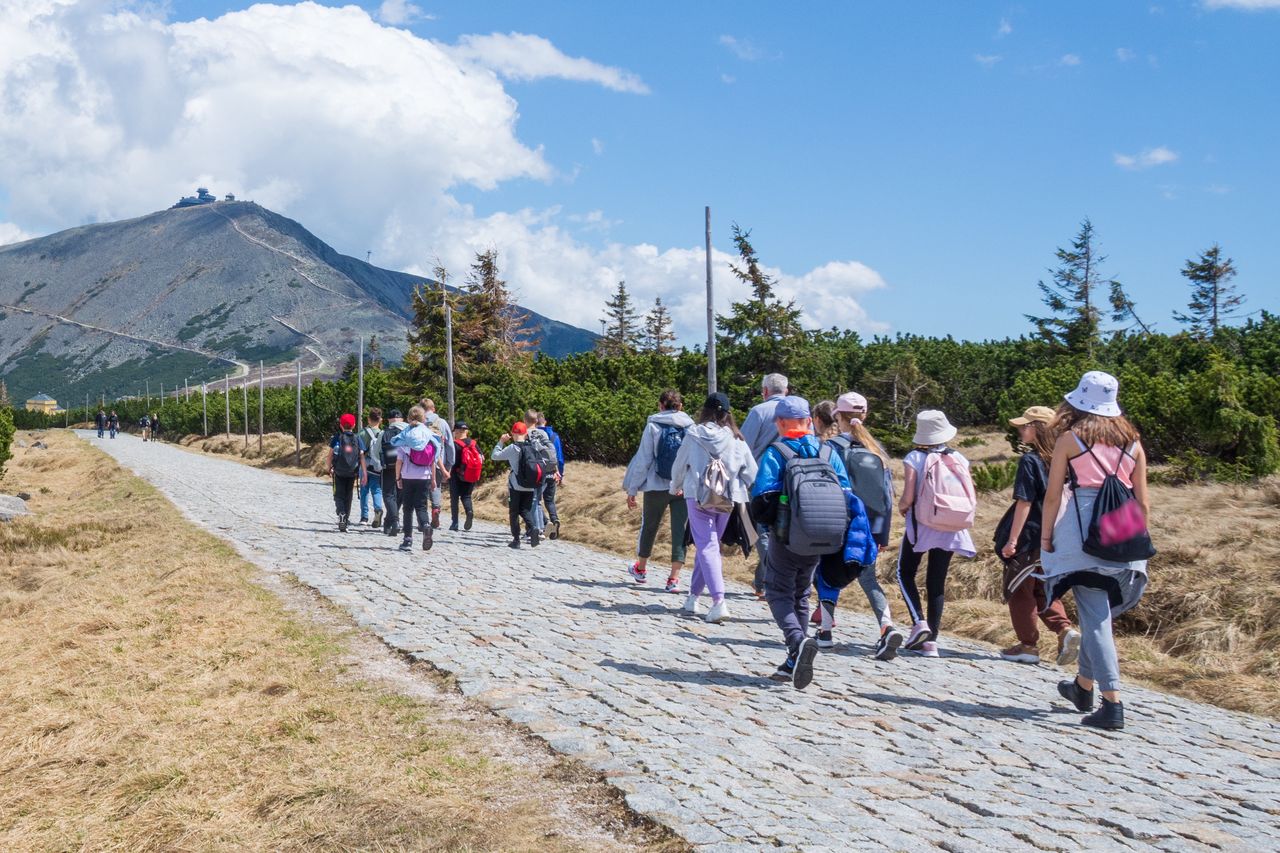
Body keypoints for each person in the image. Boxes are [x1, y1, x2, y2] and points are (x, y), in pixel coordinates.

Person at [1041, 371, 1151, 731]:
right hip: (1125, 527)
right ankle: (1083, 688)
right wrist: (1136, 540)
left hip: (1082, 529)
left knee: (1095, 616)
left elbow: (1054, 495)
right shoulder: (1133, 444)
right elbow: (1143, 501)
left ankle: (1112, 702)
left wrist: (1046, 538)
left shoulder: (1069, 440)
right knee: (1097, 612)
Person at [751, 395, 852, 690]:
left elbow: (762, 498)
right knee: (801, 592)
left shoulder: (776, 452)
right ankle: (794, 660)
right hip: (823, 536)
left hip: (788, 536)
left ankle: (797, 641)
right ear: (808, 421)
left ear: (780, 423)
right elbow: (845, 492)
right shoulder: (827, 451)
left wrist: (772, 522)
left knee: (777, 591)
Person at [816, 392, 906, 660]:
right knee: (868, 579)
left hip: (837, 521)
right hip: (868, 527)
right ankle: (886, 626)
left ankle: (825, 631)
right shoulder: (877, 451)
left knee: (827, 574)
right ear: (864, 416)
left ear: (837, 416)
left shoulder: (829, 448)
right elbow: (886, 498)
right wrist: (882, 533)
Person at [997, 406, 1081, 667]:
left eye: (1026, 425)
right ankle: (1065, 630)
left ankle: (1028, 645)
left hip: (1030, 534)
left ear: (1039, 428)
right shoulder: (1065, 460)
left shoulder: (1031, 461)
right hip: (1057, 535)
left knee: (1020, 590)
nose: (1021, 430)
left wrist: (1012, 541)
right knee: (1044, 588)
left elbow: (1025, 502)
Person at [667, 392, 757, 623]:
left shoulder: (694, 434)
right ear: (727, 414)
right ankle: (693, 597)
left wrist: (675, 486)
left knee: (706, 545)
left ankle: (718, 601)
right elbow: (751, 472)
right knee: (710, 545)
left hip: (697, 495)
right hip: (727, 498)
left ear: (704, 411)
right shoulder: (737, 438)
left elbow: (679, 465)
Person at [896, 410, 977, 659]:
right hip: (952, 525)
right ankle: (932, 642)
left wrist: (901, 507)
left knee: (904, 572)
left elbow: (908, 497)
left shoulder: (915, 457)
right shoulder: (959, 458)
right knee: (936, 581)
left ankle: (919, 623)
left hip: (923, 526)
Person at [622, 390, 695, 591]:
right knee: (680, 530)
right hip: (681, 487)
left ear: (660, 405)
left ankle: (642, 569)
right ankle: (673, 579)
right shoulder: (691, 427)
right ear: (680, 406)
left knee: (649, 526)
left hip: (656, 485)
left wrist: (633, 488)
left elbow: (644, 460)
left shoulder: (653, 425)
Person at [739, 372, 790, 599]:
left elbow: (743, 445)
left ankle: (772, 582)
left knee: (763, 532)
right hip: (791, 479)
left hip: (760, 478)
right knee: (782, 531)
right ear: (786, 391)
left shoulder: (759, 411)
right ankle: (760, 582)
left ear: (765, 391)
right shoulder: (797, 411)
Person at [390, 406, 436, 552]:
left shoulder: (406, 436)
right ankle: (426, 526)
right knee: (421, 506)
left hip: (408, 476)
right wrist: (433, 478)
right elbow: (433, 460)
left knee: (408, 508)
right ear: (424, 419)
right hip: (425, 476)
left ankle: (407, 540)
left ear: (409, 419)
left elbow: (399, 461)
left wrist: (398, 478)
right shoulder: (429, 435)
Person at [492, 421, 540, 549]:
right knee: (525, 510)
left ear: (513, 433)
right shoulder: (533, 447)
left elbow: (495, 456)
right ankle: (533, 527)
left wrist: (501, 441)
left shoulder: (513, 448)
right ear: (525, 433)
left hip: (515, 485)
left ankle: (516, 540)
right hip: (530, 485)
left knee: (514, 512)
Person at [327, 413, 368, 533]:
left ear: (340, 425)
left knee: (338, 495)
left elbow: (329, 456)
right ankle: (346, 519)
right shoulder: (357, 438)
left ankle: (341, 513)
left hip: (339, 472)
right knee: (348, 495)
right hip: (352, 472)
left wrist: (328, 468)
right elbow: (361, 457)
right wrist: (364, 473)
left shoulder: (337, 438)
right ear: (354, 425)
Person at [524, 410, 560, 539]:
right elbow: (556, 454)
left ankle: (536, 529)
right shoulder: (547, 434)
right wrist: (557, 471)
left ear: (525, 420)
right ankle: (549, 522)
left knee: (532, 500)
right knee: (545, 500)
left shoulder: (526, 434)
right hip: (548, 470)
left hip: (533, 471)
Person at [420, 398, 454, 530]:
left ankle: (422, 519)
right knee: (436, 487)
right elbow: (450, 445)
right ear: (433, 409)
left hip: (420, 462)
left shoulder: (418, 423)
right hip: (439, 462)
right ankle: (435, 508)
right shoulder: (442, 423)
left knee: (421, 489)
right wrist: (448, 466)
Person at [448, 421, 481, 531]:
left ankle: (455, 523)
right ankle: (469, 511)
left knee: (454, 498)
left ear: (456, 431)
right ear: (466, 431)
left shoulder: (454, 444)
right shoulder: (473, 443)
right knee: (466, 496)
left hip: (455, 475)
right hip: (470, 474)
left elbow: (451, 460)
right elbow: (482, 458)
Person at [537, 412, 565, 539]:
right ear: (545, 421)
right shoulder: (554, 436)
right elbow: (559, 458)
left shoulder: (534, 435)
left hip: (539, 472)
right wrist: (560, 473)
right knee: (549, 500)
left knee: (535, 501)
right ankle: (555, 520)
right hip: (553, 472)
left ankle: (545, 521)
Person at [379, 409, 406, 536]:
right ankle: (389, 522)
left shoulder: (384, 433)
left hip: (388, 467)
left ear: (389, 420)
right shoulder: (408, 431)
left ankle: (393, 522)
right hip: (405, 467)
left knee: (389, 495)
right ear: (402, 419)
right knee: (399, 496)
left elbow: (375, 451)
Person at [358, 408, 385, 528]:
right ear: (381, 420)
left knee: (364, 491)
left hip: (365, 464)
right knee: (377, 490)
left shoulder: (362, 433)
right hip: (377, 465)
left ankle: (364, 517)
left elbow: (359, 451)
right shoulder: (382, 434)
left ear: (368, 419)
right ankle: (378, 509)